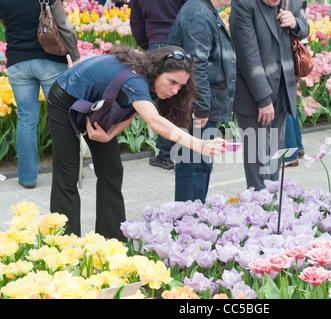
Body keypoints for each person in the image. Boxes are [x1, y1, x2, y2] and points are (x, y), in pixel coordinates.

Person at [46, 45, 226, 240]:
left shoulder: (148, 80)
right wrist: (200, 145)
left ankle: (111, 240)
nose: (175, 90)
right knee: (68, 175)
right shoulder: (135, 80)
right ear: (158, 71)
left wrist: (109, 135)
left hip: (98, 104)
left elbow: (129, 111)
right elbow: (154, 120)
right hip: (65, 98)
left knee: (112, 170)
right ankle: (65, 244)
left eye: (181, 86)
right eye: (172, 82)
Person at [229, 0, 309, 191]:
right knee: (258, 157)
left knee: (275, 152)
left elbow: (305, 29)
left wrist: (296, 23)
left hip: (282, 88)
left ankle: (271, 204)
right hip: (254, 94)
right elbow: (248, 56)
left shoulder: (291, 2)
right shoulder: (244, 5)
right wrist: (263, 99)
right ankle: (259, 207)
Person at [0, 0, 80, 189]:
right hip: (50, 61)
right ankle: (68, 176)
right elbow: (64, 25)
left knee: (26, 119)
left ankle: (27, 179)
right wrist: (75, 57)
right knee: (61, 118)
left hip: (17, 63)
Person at [169, 0, 236, 202]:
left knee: (200, 162)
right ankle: (189, 222)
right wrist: (201, 106)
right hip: (196, 104)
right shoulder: (198, 12)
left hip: (202, 100)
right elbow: (196, 63)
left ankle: (195, 219)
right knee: (193, 163)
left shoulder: (204, 9)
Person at [130, 0, 187, 170]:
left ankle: (165, 155)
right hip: (181, 42)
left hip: (156, 42)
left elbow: (137, 22)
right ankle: (186, 150)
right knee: (181, 97)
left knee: (163, 101)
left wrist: (150, 48)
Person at [284, 0, 307, 168]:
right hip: (289, 54)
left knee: (283, 101)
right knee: (289, 97)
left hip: (282, 55)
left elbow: (304, 27)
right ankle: (297, 146)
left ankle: (289, 153)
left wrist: (295, 23)